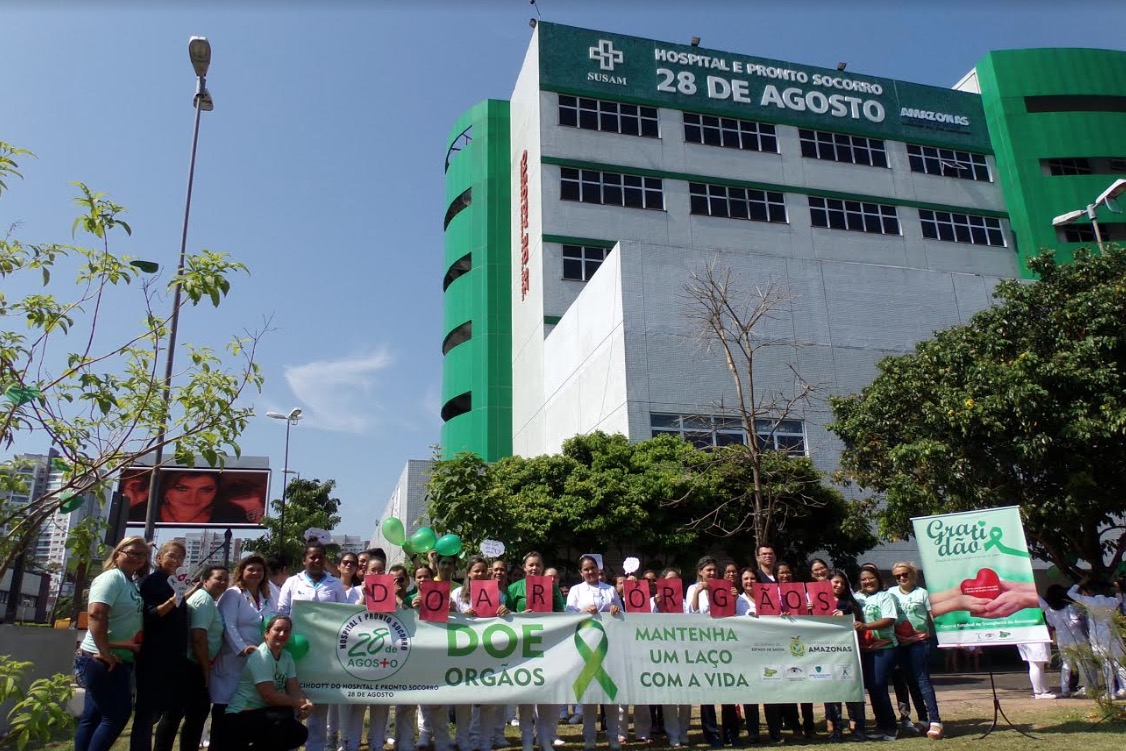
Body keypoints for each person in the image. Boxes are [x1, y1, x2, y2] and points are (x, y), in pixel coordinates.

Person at [76, 536, 147, 751]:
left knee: (93, 716)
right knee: (117, 715)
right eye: (132, 552)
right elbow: (97, 614)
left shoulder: (128, 581)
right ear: (117, 554)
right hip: (103, 660)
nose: (137, 558)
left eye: (142, 555)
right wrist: (105, 652)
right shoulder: (111, 578)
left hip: (116, 656)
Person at [277, 543, 349, 751]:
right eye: (312, 557)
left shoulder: (335, 584)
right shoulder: (292, 582)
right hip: (296, 651)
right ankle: (290, 744)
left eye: (320, 557)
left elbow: (342, 616)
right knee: (294, 698)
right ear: (304, 560)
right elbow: (282, 612)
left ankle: (315, 746)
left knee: (319, 701)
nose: (316, 561)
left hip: (325, 653)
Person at [132, 541, 195, 751]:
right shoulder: (152, 582)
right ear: (159, 558)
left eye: (180, 558)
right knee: (147, 714)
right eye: (171, 555)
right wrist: (175, 599)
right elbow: (150, 614)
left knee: (175, 710)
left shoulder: (174, 582)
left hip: (176, 659)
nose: (176, 561)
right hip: (154, 658)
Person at [212, 556, 277, 750]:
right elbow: (228, 623)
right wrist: (241, 648)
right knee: (225, 707)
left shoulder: (266, 596)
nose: (255, 573)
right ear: (241, 572)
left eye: (259, 570)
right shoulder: (233, 594)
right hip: (234, 659)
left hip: (257, 661)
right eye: (251, 569)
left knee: (246, 710)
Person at [161, 565, 229, 751]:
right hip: (192, 665)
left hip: (194, 664)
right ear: (205, 580)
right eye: (218, 578)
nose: (222, 582)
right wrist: (206, 668)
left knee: (189, 714)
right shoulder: (204, 600)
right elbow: (198, 636)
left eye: (225, 579)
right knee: (189, 714)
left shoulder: (207, 600)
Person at [223, 615, 313, 751]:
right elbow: (269, 696)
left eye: (286, 631)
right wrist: (297, 703)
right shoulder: (260, 656)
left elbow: (294, 688)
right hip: (240, 716)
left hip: (264, 715)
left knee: (299, 733)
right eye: (277, 629)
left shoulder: (287, 657)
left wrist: (306, 702)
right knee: (285, 717)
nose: (282, 634)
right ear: (266, 633)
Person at [505, 551, 564, 751]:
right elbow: (504, 617)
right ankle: (527, 738)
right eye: (530, 565)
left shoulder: (552, 588)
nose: (534, 568)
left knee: (545, 693)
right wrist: (519, 615)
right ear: (524, 568)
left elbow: (561, 614)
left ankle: (544, 737)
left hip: (547, 647)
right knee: (527, 694)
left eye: (538, 565)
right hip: (523, 647)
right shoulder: (513, 589)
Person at [452, 556, 510, 751]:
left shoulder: (497, 593)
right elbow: (448, 619)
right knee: (464, 699)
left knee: (488, 697)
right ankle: (463, 738)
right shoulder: (458, 594)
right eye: (476, 570)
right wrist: (461, 616)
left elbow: (504, 621)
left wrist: (503, 611)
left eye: (483, 571)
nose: (480, 574)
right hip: (464, 652)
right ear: (468, 573)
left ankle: (485, 739)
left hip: (488, 652)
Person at [566, 554, 623, 750]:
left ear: (599, 569)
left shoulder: (610, 590)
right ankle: (589, 739)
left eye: (593, 568)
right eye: (586, 569)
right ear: (581, 572)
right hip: (585, 648)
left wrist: (616, 609)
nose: (590, 572)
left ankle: (613, 738)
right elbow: (568, 614)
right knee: (589, 697)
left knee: (610, 696)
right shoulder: (576, 590)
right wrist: (582, 611)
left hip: (608, 647)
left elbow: (623, 615)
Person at [888, 562, 943, 739]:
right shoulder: (891, 593)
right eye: (897, 576)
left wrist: (948, 636)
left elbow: (933, 616)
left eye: (905, 574)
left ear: (912, 574)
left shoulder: (922, 593)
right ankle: (923, 719)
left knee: (922, 681)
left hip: (920, 642)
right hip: (900, 643)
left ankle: (935, 721)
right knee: (910, 682)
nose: (902, 578)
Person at [854, 565, 900, 741]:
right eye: (864, 579)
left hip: (885, 647)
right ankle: (881, 725)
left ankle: (891, 727)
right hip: (865, 649)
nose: (867, 581)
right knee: (872, 688)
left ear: (878, 579)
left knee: (879, 685)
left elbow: (889, 619)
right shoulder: (857, 598)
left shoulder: (885, 596)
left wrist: (865, 626)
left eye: (870, 578)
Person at [824, 571, 869, 743]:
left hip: (849, 654)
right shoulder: (818, 603)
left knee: (853, 692)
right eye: (835, 582)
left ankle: (858, 729)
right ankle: (836, 730)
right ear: (827, 583)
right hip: (826, 654)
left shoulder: (851, 604)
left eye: (842, 583)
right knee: (832, 692)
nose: (838, 586)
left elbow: (859, 624)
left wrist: (847, 618)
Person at [1067, 578, 1126, 699]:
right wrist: (1118, 588)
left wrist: (1080, 582)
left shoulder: (1090, 601)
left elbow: (1070, 594)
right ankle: (1124, 687)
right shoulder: (1111, 601)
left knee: (1106, 663)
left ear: (1089, 591)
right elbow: (1119, 598)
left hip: (1099, 636)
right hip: (1113, 633)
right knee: (1118, 663)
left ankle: (1110, 693)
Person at [1040, 584, 1092, 697]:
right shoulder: (1071, 607)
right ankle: (1087, 687)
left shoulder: (1049, 610)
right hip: (1077, 637)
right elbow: (1075, 622)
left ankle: (1064, 689)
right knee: (1081, 663)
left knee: (1066, 663)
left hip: (1061, 638)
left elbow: (1052, 624)